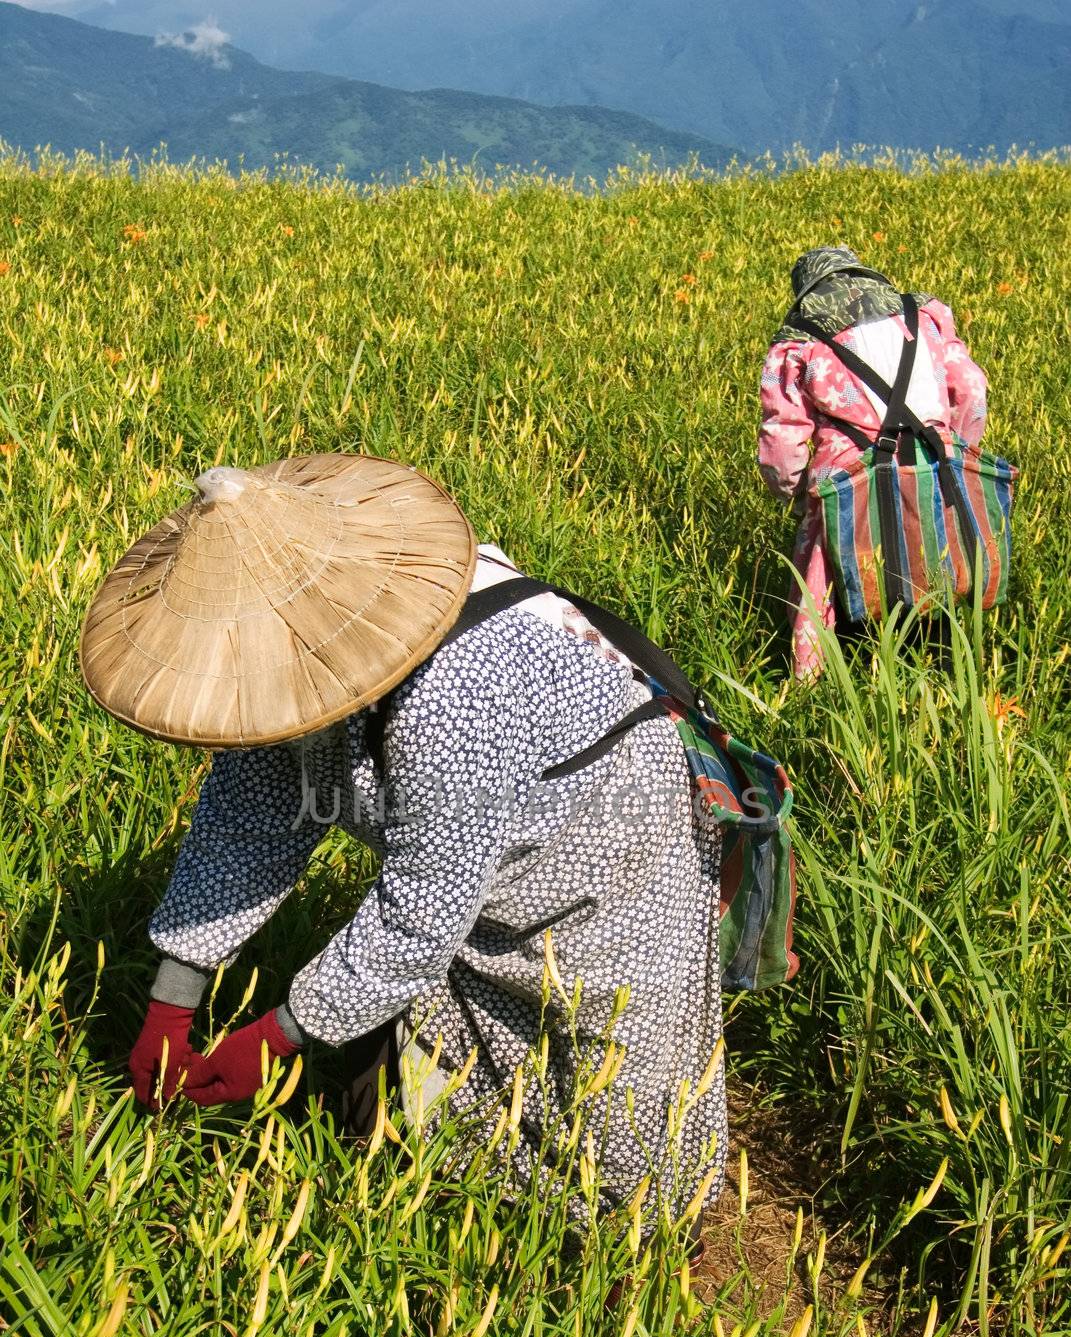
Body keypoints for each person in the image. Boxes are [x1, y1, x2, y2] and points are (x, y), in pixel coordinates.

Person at [80, 453, 728, 1232]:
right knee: (450, 1025)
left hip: (621, 832)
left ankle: (643, 1244)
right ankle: (474, 1210)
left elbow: (421, 914)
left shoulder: (453, 697)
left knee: (612, 1049)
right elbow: (246, 819)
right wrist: (173, 1000)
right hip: (477, 828)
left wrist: (278, 1034)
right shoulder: (271, 656)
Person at [758, 246, 989, 679]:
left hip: (846, 478)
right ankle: (940, 670)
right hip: (933, 463)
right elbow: (972, 390)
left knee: (829, 581)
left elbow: (782, 437)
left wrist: (792, 492)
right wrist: (954, 449)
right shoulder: (924, 316)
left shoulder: (798, 342)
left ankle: (821, 686)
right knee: (936, 560)